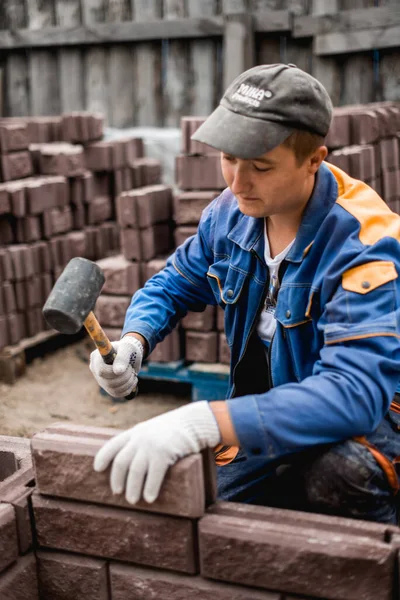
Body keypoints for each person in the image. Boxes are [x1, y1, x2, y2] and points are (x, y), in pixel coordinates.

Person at [90, 64, 400, 524]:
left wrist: (205, 420)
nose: (237, 182)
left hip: (374, 424)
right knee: (202, 500)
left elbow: (353, 395)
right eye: (229, 158)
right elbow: (174, 282)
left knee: (340, 473)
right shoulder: (230, 215)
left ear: (314, 160)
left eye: (260, 166)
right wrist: (134, 341)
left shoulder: (363, 245)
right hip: (275, 411)